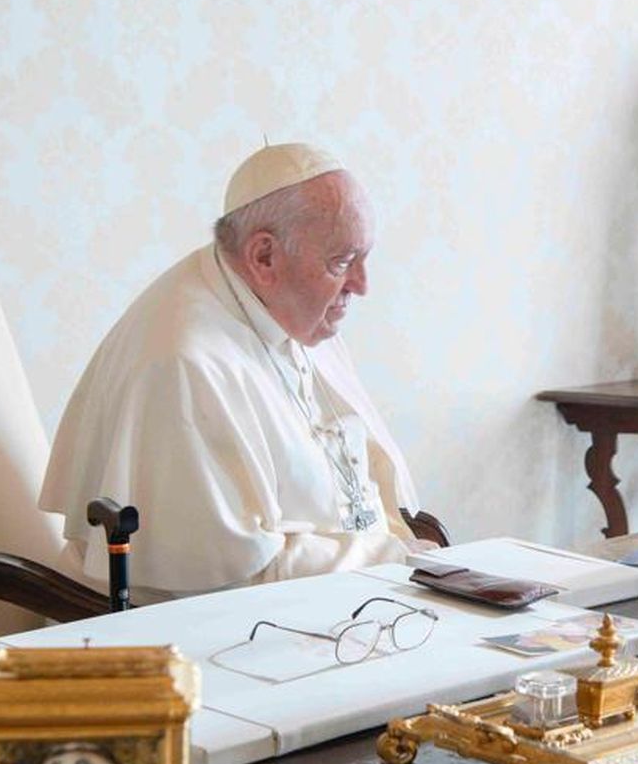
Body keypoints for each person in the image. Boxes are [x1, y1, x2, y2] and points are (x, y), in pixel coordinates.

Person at [41, 143, 424, 597]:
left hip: (334, 604)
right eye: (342, 262)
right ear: (264, 257)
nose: (361, 286)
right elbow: (236, 575)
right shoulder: (184, 362)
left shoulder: (290, 311)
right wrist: (401, 558)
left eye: (364, 259)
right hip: (196, 641)